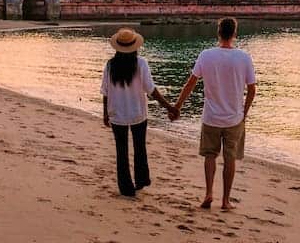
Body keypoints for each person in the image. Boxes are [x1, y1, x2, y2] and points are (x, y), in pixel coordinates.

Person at [173, 17, 257, 210]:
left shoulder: (206, 55)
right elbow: (252, 89)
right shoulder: (244, 58)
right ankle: (226, 200)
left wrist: (178, 106)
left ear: (218, 33)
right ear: (235, 34)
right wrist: (244, 112)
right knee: (230, 159)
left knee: (210, 156)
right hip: (234, 119)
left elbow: (190, 84)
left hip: (211, 117)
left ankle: (208, 193)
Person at [101, 28, 177, 197]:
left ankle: (126, 188)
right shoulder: (141, 63)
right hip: (138, 113)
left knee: (121, 151)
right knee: (139, 147)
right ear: (134, 46)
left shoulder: (110, 65)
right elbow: (151, 90)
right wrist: (169, 107)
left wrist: (105, 113)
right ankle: (141, 180)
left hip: (117, 114)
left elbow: (105, 92)